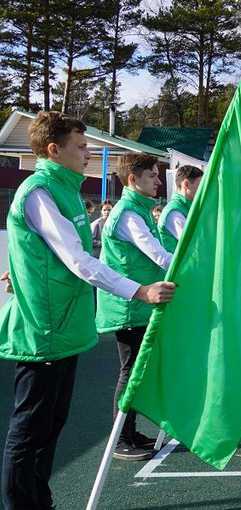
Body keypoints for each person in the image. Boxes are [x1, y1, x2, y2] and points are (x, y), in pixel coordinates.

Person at [0, 112, 174, 510]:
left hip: (63, 324)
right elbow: (78, 259)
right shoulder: (40, 191)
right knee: (30, 430)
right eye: (81, 147)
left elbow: (45, 252)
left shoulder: (62, 190)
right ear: (53, 150)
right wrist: (140, 291)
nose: (87, 154)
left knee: (50, 426)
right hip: (44, 329)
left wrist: (21, 268)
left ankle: (40, 502)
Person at [96, 152, 175, 461]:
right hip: (128, 306)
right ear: (133, 179)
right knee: (129, 373)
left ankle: (128, 431)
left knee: (137, 372)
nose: (158, 181)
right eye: (152, 176)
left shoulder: (139, 210)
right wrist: (198, 270)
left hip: (138, 304)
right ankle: (118, 439)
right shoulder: (129, 214)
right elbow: (158, 255)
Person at [157, 165, 204, 253]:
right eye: (201, 186)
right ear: (186, 184)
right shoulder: (174, 212)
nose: (204, 190)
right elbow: (195, 243)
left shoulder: (186, 207)